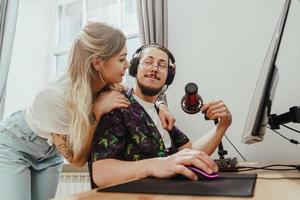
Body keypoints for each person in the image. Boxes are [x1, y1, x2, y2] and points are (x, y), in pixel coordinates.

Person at [0, 22, 175, 200]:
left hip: (50, 152)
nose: (128, 64)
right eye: (121, 59)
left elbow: (138, 96)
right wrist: (95, 112)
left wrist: (160, 106)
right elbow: (77, 160)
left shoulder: (110, 85)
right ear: (98, 62)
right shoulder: (55, 98)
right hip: (15, 145)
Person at [91, 44, 232, 188]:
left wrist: (223, 125)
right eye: (148, 62)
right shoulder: (116, 105)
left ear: (168, 76)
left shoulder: (162, 113)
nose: (154, 68)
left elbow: (191, 152)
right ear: (135, 68)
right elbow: (102, 173)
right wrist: (157, 164)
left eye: (162, 65)